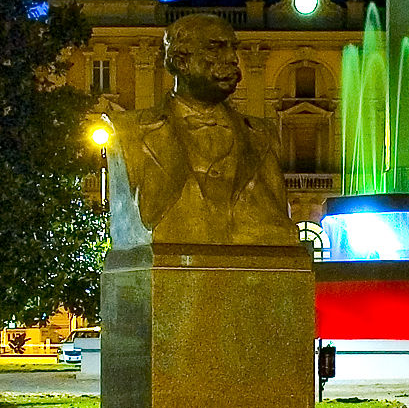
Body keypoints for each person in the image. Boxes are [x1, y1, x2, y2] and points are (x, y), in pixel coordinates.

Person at [107, 13, 297, 247]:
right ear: (181, 61)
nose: (232, 58)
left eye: (233, 48)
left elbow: (277, 222)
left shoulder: (263, 134)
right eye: (215, 48)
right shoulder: (128, 131)